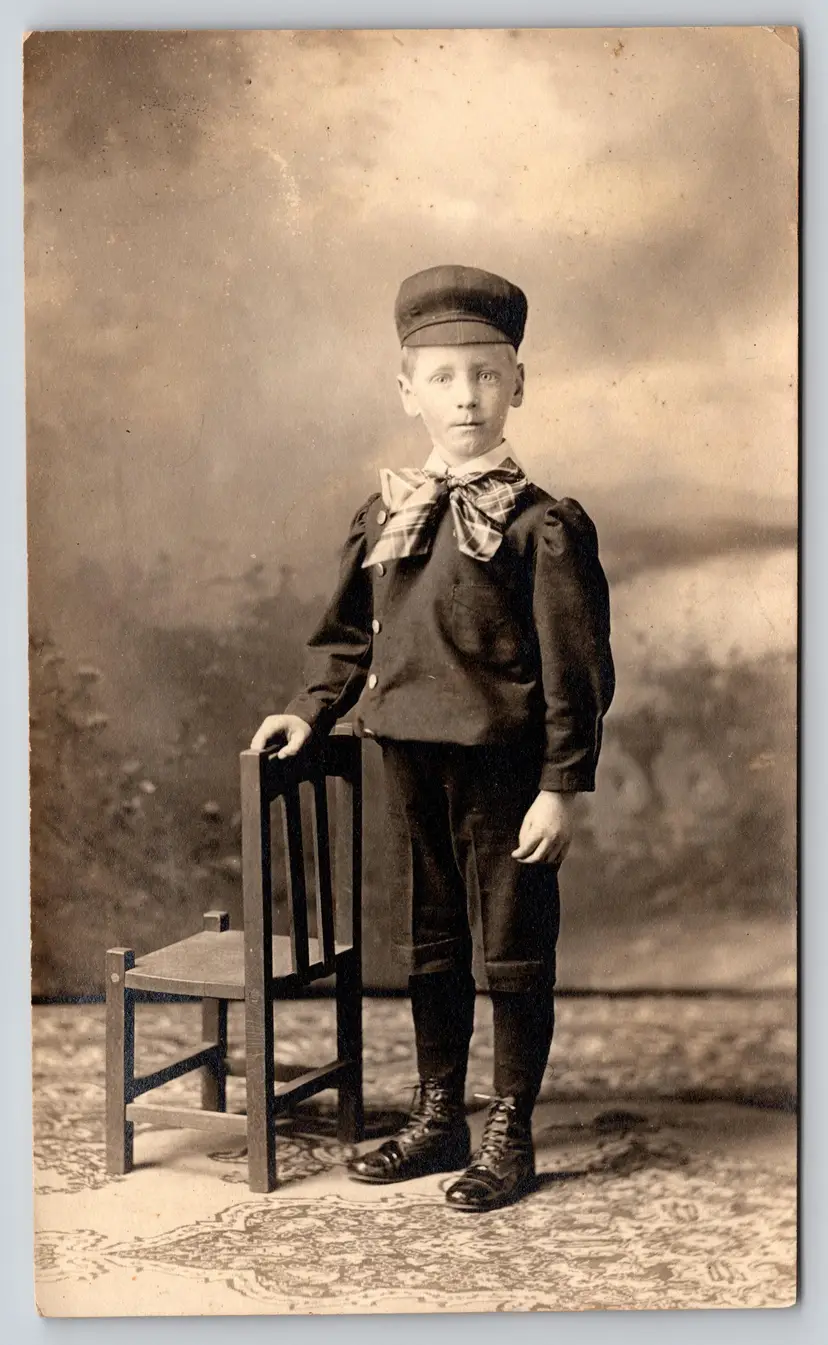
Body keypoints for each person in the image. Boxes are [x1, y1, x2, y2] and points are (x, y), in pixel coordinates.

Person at [251, 264, 615, 1212]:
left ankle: (511, 1127)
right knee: (433, 944)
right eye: (444, 377)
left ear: (519, 385)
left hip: (506, 774)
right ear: (406, 389)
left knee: (513, 949)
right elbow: (344, 637)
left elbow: (576, 669)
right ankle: (440, 1110)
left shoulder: (544, 526)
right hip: (407, 756)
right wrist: (308, 706)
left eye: (487, 375)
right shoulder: (388, 514)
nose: (467, 396)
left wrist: (561, 784)